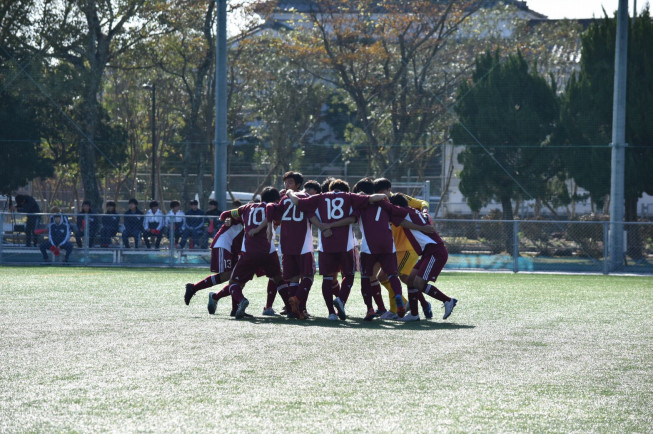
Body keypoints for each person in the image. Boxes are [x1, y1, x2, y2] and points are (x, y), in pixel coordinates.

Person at [286, 179, 386, 320]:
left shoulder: (320, 197)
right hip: (346, 245)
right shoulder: (350, 197)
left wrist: (290, 192)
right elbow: (367, 203)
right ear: (346, 189)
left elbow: (299, 204)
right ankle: (341, 300)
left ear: (330, 188)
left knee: (327, 278)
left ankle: (331, 313)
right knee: (349, 275)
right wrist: (384, 196)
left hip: (325, 244)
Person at [390, 193, 458, 322]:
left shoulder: (404, 212)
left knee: (419, 283)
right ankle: (414, 314)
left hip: (435, 251)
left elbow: (401, 221)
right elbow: (404, 223)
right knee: (410, 280)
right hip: (428, 252)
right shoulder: (412, 211)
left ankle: (448, 300)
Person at [374, 177, 434, 320]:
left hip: (407, 247)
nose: (382, 196)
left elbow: (421, 203)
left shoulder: (399, 198)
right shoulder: (379, 202)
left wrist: (425, 211)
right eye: (378, 193)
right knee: (389, 277)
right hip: (393, 248)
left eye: (384, 192)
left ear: (390, 190)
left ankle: (396, 310)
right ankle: (417, 304)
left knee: (394, 276)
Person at [265, 172, 317, 319]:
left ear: (298, 184)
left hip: (286, 244)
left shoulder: (284, 199)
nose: (287, 185)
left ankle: (294, 310)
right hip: (303, 244)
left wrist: (270, 226)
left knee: (293, 278)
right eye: (286, 183)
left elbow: (274, 213)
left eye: (290, 183)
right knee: (308, 276)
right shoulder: (306, 197)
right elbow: (312, 216)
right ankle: (297, 301)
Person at [227, 187, 284, 319]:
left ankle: (240, 301)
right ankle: (291, 306)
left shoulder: (246, 207)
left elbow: (226, 214)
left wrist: (228, 221)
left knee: (233, 283)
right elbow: (276, 220)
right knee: (278, 279)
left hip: (249, 252)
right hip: (268, 251)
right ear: (276, 199)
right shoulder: (275, 207)